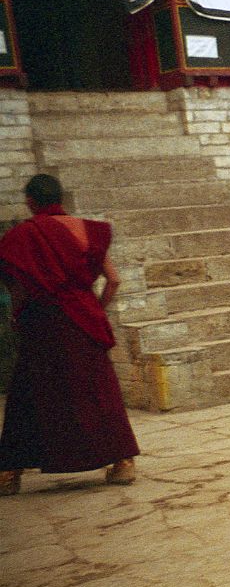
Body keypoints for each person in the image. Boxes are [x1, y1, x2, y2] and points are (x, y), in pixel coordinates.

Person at [0, 174, 140, 496]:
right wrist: (95, 310)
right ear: (60, 197)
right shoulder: (87, 230)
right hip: (82, 318)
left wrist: (17, 316)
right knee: (97, 390)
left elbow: (19, 288)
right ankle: (122, 463)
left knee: (28, 392)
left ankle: (9, 473)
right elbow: (114, 279)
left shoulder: (23, 234)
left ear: (31, 201)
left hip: (43, 322)